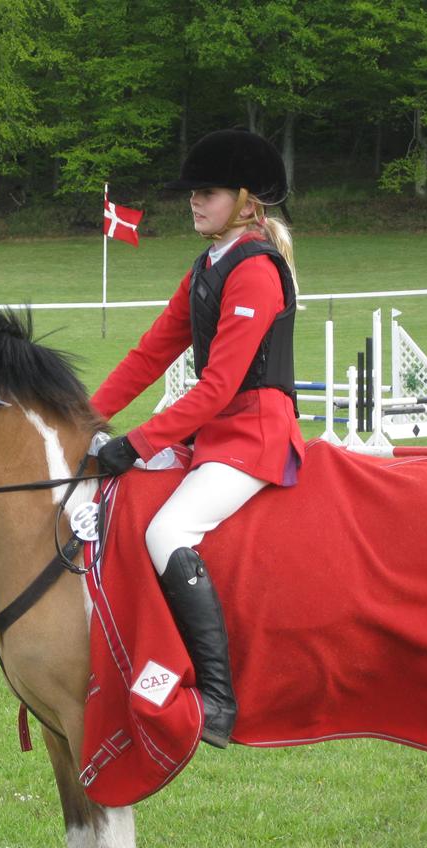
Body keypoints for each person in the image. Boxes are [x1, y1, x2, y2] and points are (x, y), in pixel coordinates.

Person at [90, 129, 305, 748]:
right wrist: (80, 417)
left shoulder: (257, 270)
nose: (193, 202)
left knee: (167, 530)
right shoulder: (207, 266)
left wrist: (131, 442)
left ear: (245, 201)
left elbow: (215, 387)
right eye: (192, 192)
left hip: (256, 434)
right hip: (216, 434)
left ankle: (216, 695)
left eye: (206, 192)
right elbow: (149, 354)